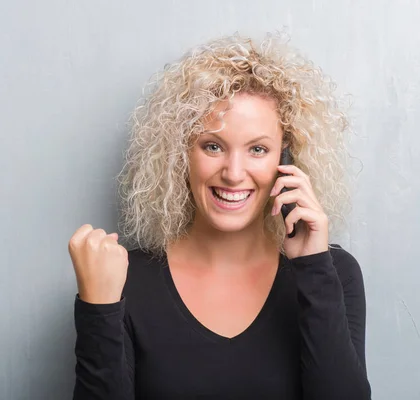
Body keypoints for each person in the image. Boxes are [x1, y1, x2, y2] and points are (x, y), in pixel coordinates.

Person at [67, 32, 371, 399]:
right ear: (181, 153)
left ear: (285, 159)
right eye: (213, 146)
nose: (233, 172)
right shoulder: (122, 279)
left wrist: (314, 268)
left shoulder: (332, 274)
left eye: (258, 149)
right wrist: (99, 308)